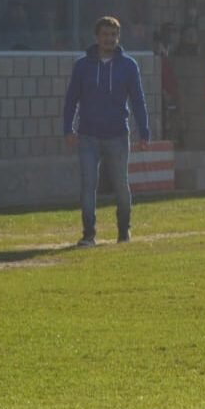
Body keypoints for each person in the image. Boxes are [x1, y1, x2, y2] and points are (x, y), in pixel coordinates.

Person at [62, 16, 150, 247]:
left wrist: (144, 131)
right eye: (105, 35)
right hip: (88, 135)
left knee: (121, 184)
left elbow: (138, 100)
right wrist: (67, 128)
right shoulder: (82, 66)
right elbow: (72, 99)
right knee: (88, 184)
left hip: (118, 135)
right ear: (96, 37)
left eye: (113, 35)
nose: (109, 39)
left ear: (118, 37)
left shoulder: (129, 65)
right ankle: (88, 233)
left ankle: (123, 231)